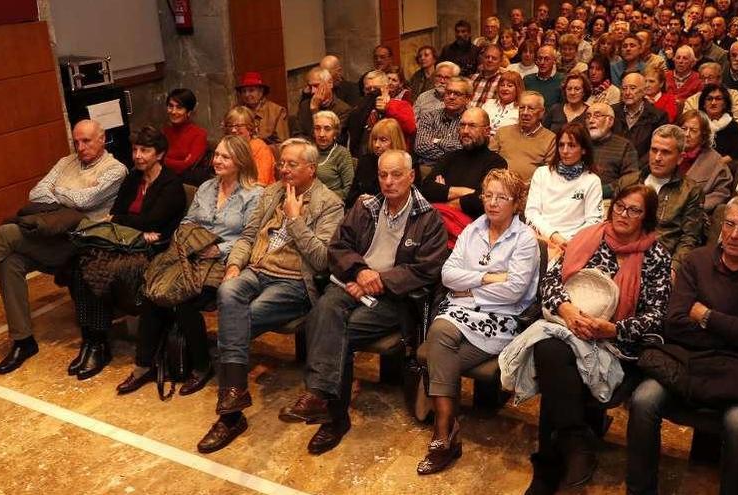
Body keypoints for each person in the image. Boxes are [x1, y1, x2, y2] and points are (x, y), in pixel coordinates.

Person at [626, 193, 738, 495]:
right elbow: (676, 325)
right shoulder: (697, 262)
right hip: (687, 360)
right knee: (643, 400)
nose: (734, 235)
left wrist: (706, 316)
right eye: (729, 224)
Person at [278, 149, 447, 455]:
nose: (389, 181)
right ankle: (323, 401)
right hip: (353, 283)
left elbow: (426, 269)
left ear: (411, 177)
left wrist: (379, 281)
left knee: (337, 331)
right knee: (324, 311)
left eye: (396, 175)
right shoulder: (366, 207)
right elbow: (338, 246)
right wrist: (360, 271)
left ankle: (331, 412)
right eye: (383, 175)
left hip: (395, 299)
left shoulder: (428, 218)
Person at [196, 138, 344, 454]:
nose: (283, 169)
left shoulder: (329, 204)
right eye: (281, 163)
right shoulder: (270, 192)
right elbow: (248, 236)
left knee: (237, 321)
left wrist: (294, 218)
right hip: (257, 268)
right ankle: (234, 395)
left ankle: (230, 414)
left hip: (292, 282)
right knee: (228, 289)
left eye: (292, 164)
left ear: (311, 169)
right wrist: (235, 264)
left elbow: (320, 260)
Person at [523, 184, 672, 493]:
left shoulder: (656, 256)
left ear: (647, 217)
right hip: (573, 328)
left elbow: (657, 315)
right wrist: (567, 311)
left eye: (634, 210)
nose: (623, 214)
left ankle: (550, 466)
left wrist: (614, 329)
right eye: (619, 206)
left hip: (617, 344)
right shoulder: (588, 237)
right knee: (551, 349)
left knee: (555, 364)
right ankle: (575, 442)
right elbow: (550, 282)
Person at [0, 120, 127, 374]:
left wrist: (60, 192)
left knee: (3, 234)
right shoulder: (65, 162)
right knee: (9, 261)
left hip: (80, 241)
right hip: (50, 234)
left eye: (86, 141)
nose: (80, 147)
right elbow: (37, 193)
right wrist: (70, 195)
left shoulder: (115, 169)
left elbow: (86, 200)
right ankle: (23, 340)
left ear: (102, 139)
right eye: (76, 141)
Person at [116, 134, 263, 395]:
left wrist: (219, 248)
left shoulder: (254, 194)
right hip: (191, 254)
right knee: (154, 290)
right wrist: (193, 242)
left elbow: (250, 237)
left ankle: (201, 365)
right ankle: (143, 364)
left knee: (183, 298)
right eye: (216, 154)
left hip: (225, 261)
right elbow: (187, 222)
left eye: (224, 156)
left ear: (240, 161)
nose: (216, 160)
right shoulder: (206, 188)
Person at [417, 169, 539, 475]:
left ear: (516, 202)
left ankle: (444, 432)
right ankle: (445, 432)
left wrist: (469, 288)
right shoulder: (472, 230)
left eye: (502, 197)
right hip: (461, 314)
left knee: (439, 347)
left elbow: (515, 291)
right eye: (488, 195)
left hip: (502, 320)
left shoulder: (524, 240)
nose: (493, 203)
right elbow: (447, 275)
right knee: (442, 333)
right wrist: (489, 277)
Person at [67, 126, 187, 380]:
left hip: (154, 249)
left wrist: (124, 221)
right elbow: (124, 214)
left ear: (160, 154)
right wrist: (130, 222)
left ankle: (98, 345)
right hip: (125, 243)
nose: (138, 155)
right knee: (79, 265)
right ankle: (91, 340)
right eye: (135, 150)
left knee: (96, 269)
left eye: (145, 150)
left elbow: (152, 221)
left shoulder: (171, 184)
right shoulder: (133, 178)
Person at [617, 125, 704, 275]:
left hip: (660, 263)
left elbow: (690, 238)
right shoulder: (628, 182)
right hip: (620, 255)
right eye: (654, 150)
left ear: (680, 158)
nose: (657, 158)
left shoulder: (690, 191)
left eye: (665, 152)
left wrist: (674, 269)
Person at [421, 108, 508, 244]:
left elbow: (482, 201)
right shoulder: (450, 157)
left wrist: (444, 194)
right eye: (462, 125)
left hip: (471, 233)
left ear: (487, 131)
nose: (465, 131)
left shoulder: (496, 162)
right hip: (435, 226)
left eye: (472, 126)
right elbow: (426, 189)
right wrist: (465, 192)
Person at [525, 123, 603, 255]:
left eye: (571, 145)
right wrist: (554, 236)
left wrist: (569, 241)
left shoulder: (592, 180)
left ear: (583, 149)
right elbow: (532, 213)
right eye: (561, 145)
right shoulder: (542, 173)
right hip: (541, 237)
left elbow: (594, 221)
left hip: (574, 242)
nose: (565, 151)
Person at [347, 70, 416, 159]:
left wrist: (388, 108)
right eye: (368, 89)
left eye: (376, 89)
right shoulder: (359, 109)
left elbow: (410, 127)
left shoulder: (400, 105)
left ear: (386, 88)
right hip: (367, 158)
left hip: (395, 157)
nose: (372, 92)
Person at [490, 91, 557, 182]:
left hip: (530, 190)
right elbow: (488, 161)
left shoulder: (550, 139)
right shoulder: (503, 132)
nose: (525, 112)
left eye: (531, 108)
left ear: (541, 112)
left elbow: (548, 174)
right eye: (522, 108)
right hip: (499, 187)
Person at [677, 110, 733, 214]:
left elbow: (721, 193)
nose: (686, 134)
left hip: (693, 216)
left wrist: (694, 207)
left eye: (693, 130)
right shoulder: (669, 152)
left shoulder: (716, 161)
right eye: (683, 129)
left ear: (703, 136)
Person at [414, 77, 472, 175]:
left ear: (468, 99)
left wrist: (437, 141)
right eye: (448, 93)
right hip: (430, 169)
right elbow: (420, 146)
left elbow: (467, 150)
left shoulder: (471, 120)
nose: (451, 97)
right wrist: (454, 155)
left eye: (457, 94)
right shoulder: (429, 116)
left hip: (459, 170)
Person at [346, 118, 408, 208]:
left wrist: (375, 200)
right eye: (375, 139)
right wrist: (359, 198)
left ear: (395, 141)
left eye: (383, 140)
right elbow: (350, 197)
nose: (377, 145)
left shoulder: (407, 162)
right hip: (364, 211)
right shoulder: (366, 161)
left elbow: (406, 198)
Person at [612, 72, 670, 167]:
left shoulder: (658, 116)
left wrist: (635, 167)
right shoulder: (613, 112)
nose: (627, 93)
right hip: (613, 165)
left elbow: (656, 149)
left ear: (643, 91)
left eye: (632, 88)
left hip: (641, 168)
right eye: (624, 88)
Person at [586, 103, 639, 199]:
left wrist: (605, 190)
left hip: (609, 200)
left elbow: (631, 178)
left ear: (610, 121)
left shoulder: (624, 146)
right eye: (588, 116)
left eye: (597, 116)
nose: (591, 120)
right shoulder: (580, 143)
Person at [683, 62, 738, 132]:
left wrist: (723, 133)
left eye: (710, 78)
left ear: (719, 79)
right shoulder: (692, 100)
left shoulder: (734, 96)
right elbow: (687, 123)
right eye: (703, 78)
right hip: (701, 138)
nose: (706, 82)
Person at [293, 67, 352, 140]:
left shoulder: (343, 110)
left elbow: (331, 139)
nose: (313, 91)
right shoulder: (304, 106)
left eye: (316, 86)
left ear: (330, 84)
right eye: (310, 86)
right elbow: (297, 136)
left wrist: (315, 111)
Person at [222, 106, 276, 185]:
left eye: (238, 126)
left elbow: (261, 182)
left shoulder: (259, 147)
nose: (233, 130)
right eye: (230, 126)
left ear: (250, 128)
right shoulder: (225, 146)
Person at [698, 84, 738, 161]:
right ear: (703, 104)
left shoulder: (732, 126)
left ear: (725, 104)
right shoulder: (697, 124)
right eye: (709, 99)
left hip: (723, 165)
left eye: (718, 99)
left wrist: (721, 161)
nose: (713, 103)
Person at [162, 88, 208, 177]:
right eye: (170, 106)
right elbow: (153, 160)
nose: (173, 111)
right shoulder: (164, 132)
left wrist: (163, 160)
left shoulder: (199, 134)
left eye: (179, 107)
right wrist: (180, 162)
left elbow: (187, 166)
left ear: (189, 112)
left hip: (183, 182)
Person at [235, 71, 289, 143]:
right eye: (244, 91)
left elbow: (282, 143)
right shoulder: (237, 112)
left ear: (261, 91)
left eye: (251, 90)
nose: (247, 95)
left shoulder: (277, 111)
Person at [312, 111, 354, 200]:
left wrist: (323, 198)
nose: (321, 134)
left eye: (327, 129)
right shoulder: (308, 151)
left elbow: (349, 189)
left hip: (331, 204)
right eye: (317, 128)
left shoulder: (342, 154)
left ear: (335, 133)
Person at [524, 45, 565, 112]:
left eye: (547, 59)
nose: (542, 62)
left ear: (554, 61)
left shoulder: (562, 80)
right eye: (540, 58)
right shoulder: (528, 80)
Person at [482, 71, 523, 136]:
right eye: (502, 85)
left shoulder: (521, 109)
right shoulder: (489, 104)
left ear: (518, 89)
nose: (505, 88)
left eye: (509, 86)